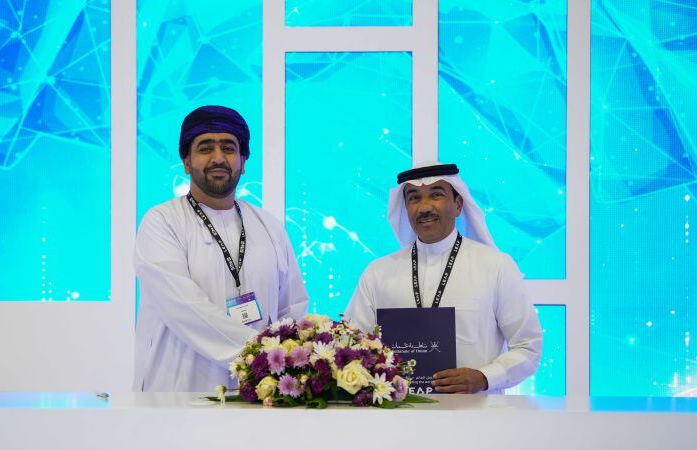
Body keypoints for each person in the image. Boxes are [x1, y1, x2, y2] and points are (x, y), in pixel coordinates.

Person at [134, 105, 308, 392]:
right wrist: (265, 356)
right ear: (186, 161)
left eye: (228, 148)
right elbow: (185, 308)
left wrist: (289, 366)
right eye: (205, 148)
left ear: (243, 161)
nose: (218, 158)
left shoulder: (269, 226)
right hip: (181, 393)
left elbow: (292, 308)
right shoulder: (162, 222)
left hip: (260, 393)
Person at [344, 161, 541, 394]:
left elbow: (528, 347)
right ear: (405, 209)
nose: (424, 207)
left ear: (458, 205)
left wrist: (483, 378)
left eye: (436, 195)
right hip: (399, 413)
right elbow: (351, 346)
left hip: (476, 411)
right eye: (414, 198)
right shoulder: (378, 273)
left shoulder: (496, 266)